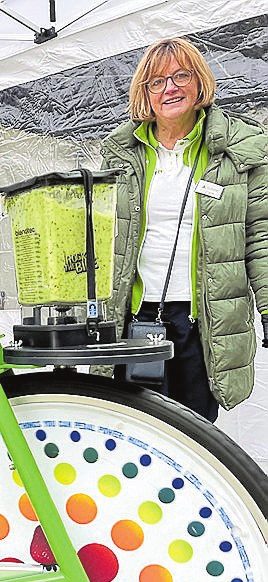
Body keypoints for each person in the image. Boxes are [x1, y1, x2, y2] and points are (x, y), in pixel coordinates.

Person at [99, 37, 268, 422]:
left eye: (180, 76)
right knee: (135, 428)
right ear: (145, 94)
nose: (169, 88)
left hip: (204, 320)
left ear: (199, 83)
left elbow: (261, 235)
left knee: (194, 434)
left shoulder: (238, 151)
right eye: (156, 82)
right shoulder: (121, 154)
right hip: (137, 319)